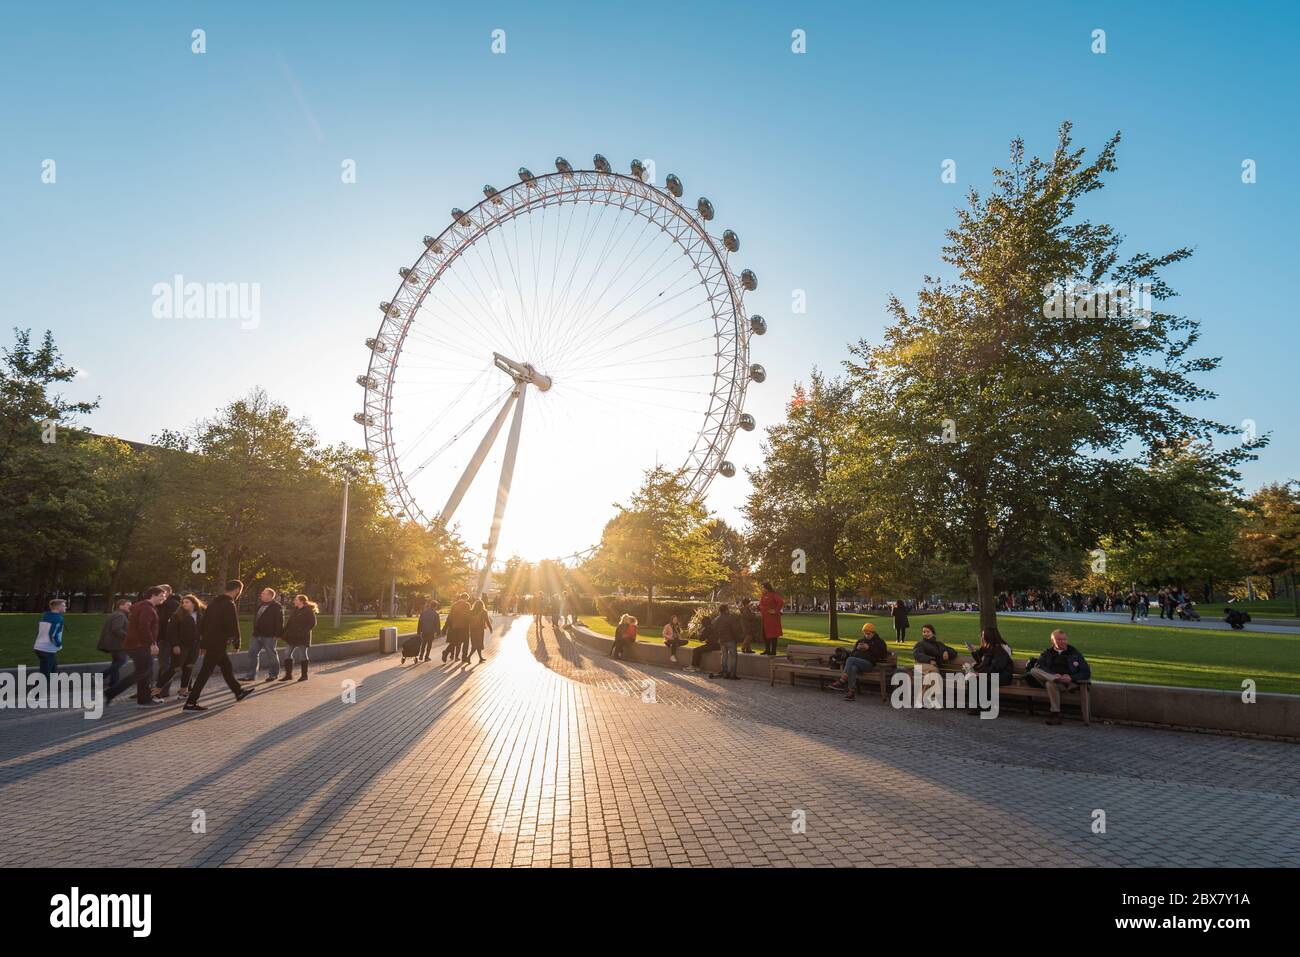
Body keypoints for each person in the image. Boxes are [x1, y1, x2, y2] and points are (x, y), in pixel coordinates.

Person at [184, 579, 252, 711]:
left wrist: (203, 644)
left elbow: (204, 625)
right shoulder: (229, 604)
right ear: (237, 590)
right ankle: (190, 702)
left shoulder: (213, 604)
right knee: (205, 672)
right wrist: (237, 643)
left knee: (226, 667)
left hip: (211, 643)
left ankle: (238, 692)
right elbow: (233, 625)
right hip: (218, 644)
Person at [107, 586, 166, 707]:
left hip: (135, 644)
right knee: (143, 671)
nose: (164, 598)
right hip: (140, 645)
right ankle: (111, 692)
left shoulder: (142, 606)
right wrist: (152, 643)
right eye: (162, 595)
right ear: (153, 595)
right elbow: (144, 627)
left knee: (144, 671)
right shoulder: (147, 609)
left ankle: (144, 699)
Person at [1028, 629, 1091, 725]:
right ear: (1053, 641)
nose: (1063, 642)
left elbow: (1086, 672)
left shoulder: (1074, 653)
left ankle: (1055, 713)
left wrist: (1071, 677)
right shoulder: (1048, 652)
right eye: (1060, 640)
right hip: (1052, 679)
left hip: (1068, 683)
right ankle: (1056, 713)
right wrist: (1053, 675)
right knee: (1034, 671)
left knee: (1050, 683)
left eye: (1065, 639)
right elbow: (1038, 666)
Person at [154, 594, 204, 699]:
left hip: (195, 646)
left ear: (194, 603)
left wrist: (202, 645)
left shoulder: (199, 615)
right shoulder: (177, 615)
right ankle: (155, 691)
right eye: (183, 602)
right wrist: (175, 645)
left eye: (187, 602)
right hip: (181, 646)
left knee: (188, 668)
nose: (184, 604)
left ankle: (183, 692)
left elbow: (203, 631)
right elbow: (171, 632)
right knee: (174, 668)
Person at [828, 623, 889, 700]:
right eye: (865, 633)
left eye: (868, 634)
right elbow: (853, 654)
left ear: (873, 633)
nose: (866, 635)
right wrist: (857, 649)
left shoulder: (879, 642)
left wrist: (869, 648)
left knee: (850, 660)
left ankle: (842, 681)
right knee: (853, 668)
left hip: (869, 665)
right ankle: (851, 693)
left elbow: (882, 655)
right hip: (858, 664)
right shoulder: (860, 641)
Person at [242, 587, 285, 682]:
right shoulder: (260, 605)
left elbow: (280, 621)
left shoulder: (277, 606)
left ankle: (273, 675)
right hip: (256, 634)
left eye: (263, 593)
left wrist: (278, 634)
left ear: (270, 595)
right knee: (252, 654)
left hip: (269, 635)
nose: (261, 594)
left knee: (271, 655)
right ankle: (251, 675)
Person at [278, 594, 317, 681]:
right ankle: (288, 675)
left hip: (302, 637)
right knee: (287, 653)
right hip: (292, 636)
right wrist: (283, 633)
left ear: (301, 601)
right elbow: (289, 623)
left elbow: (313, 623)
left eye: (296, 600)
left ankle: (304, 675)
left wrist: (303, 632)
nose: (294, 601)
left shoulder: (308, 611)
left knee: (302, 654)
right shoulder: (295, 610)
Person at [97, 598, 132, 689]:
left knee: (115, 663)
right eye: (128, 605)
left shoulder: (116, 614)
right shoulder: (120, 615)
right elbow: (116, 629)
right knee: (122, 661)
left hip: (113, 644)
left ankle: (114, 683)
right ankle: (100, 675)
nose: (130, 607)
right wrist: (128, 637)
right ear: (121, 606)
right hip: (117, 644)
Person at [153, 585, 180, 683]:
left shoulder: (172, 605)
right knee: (163, 664)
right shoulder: (162, 604)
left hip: (167, 639)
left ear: (167, 592)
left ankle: (162, 688)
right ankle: (159, 687)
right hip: (162, 638)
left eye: (160, 592)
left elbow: (170, 623)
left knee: (165, 664)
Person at [33, 598, 66, 677]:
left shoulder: (46, 615)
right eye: (64, 606)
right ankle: (39, 688)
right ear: (58, 607)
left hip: (39, 646)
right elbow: (53, 635)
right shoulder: (58, 618)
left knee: (53, 669)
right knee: (46, 673)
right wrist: (58, 644)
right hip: (47, 648)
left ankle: (50, 687)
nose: (66, 607)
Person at [708, 604, 742, 680]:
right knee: (733, 656)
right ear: (726, 610)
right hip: (730, 639)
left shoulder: (717, 619)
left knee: (724, 656)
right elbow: (735, 629)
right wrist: (737, 638)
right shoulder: (730, 618)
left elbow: (713, 628)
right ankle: (732, 674)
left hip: (722, 640)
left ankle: (724, 672)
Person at [442, 592, 472, 662]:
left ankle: (446, 652)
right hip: (464, 627)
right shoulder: (467, 605)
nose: (467, 600)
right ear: (466, 598)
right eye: (467, 599)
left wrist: (446, 626)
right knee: (465, 642)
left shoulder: (454, 605)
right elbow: (468, 616)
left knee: (455, 642)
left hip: (455, 627)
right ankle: (464, 657)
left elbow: (450, 616)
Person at [758, 582, 784, 656]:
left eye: (763, 587)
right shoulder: (763, 595)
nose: (762, 589)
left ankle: (773, 651)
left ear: (767, 588)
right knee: (765, 634)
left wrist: (775, 610)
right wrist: (762, 608)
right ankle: (767, 650)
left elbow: (781, 602)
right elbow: (760, 604)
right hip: (765, 618)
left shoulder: (774, 594)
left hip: (772, 619)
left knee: (773, 635)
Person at [416, 598, 442, 662]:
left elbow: (420, 622)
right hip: (431, 631)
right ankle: (426, 657)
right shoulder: (436, 614)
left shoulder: (423, 612)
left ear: (430, 605)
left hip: (424, 630)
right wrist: (438, 632)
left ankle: (421, 656)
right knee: (429, 644)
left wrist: (418, 631)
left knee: (423, 644)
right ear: (435, 606)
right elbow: (437, 624)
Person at [468, 597, 491, 663]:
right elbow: (487, 621)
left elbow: (468, 621)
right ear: (482, 605)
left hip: (472, 630)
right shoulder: (484, 612)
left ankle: (480, 658)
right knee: (477, 645)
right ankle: (468, 657)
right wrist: (490, 628)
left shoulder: (471, 611)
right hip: (480, 631)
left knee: (476, 644)